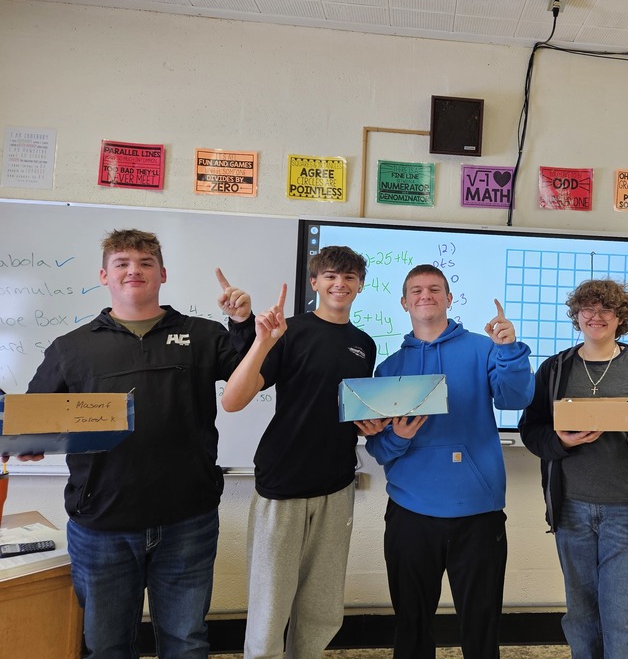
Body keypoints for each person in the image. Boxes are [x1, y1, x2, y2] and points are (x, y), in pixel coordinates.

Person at [23, 229, 255, 659]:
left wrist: (242, 324)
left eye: (146, 263)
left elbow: (250, 375)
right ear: (104, 275)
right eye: (123, 263)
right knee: (107, 646)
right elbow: (37, 417)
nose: (135, 271)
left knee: (186, 643)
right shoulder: (71, 348)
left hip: (189, 519)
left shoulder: (203, 335)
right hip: (102, 525)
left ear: (163, 274)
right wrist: (31, 443)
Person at [220, 245, 386, 659]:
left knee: (322, 604)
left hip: (335, 483)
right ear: (314, 282)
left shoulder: (364, 344)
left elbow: (354, 409)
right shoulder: (286, 330)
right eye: (330, 275)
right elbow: (233, 401)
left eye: (349, 278)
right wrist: (261, 342)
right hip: (283, 482)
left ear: (360, 286)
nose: (340, 284)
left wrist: (374, 424)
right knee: (271, 602)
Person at [363, 264, 534, 659]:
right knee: (411, 623)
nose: (426, 295)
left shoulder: (483, 347)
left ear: (449, 298)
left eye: (435, 289)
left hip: (478, 512)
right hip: (410, 512)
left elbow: (515, 398)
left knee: (480, 623)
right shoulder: (389, 370)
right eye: (417, 290)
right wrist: (399, 437)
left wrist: (509, 349)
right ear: (404, 302)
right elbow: (379, 450)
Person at [519, 279, 628, 658]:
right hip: (572, 513)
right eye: (588, 309)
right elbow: (530, 431)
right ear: (577, 315)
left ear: (621, 318)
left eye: (606, 310)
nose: (595, 317)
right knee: (581, 617)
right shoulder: (555, 368)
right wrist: (561, 441)